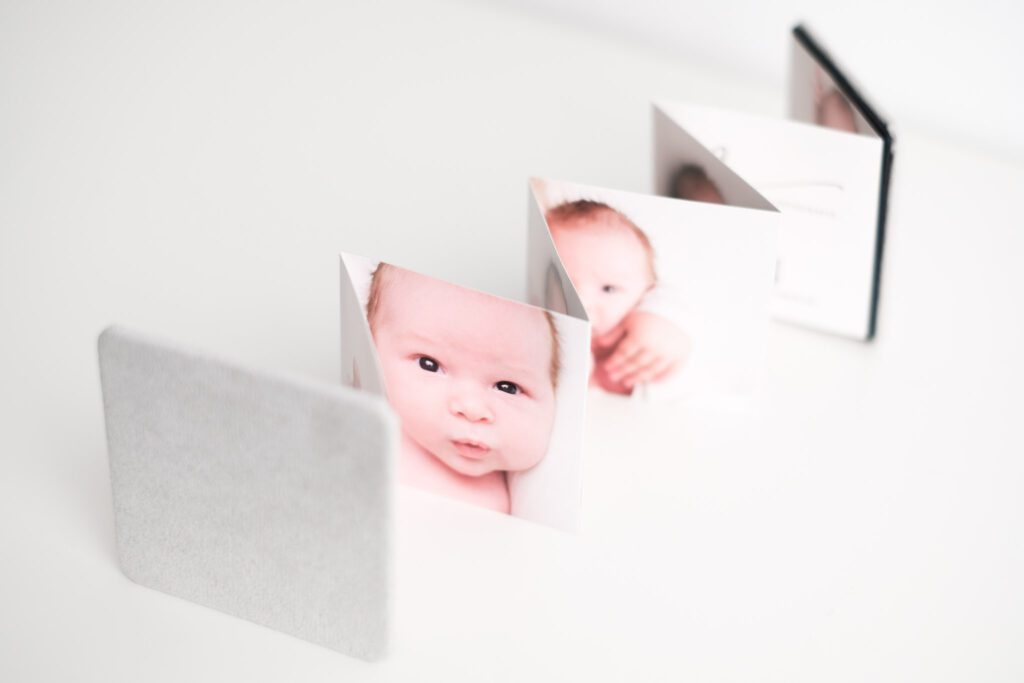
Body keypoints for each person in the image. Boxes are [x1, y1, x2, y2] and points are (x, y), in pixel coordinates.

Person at [366, 263, 559, 513]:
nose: (472, 409)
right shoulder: (367, 437)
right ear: (368, 346)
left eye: (508, 387)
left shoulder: (530, 504)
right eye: (429, 365)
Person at [546, 200, 690, 395]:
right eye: (559, 284)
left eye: (609, 289)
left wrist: (665, 328)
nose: (582, 303)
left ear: (644, 297)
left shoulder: (647, 348)